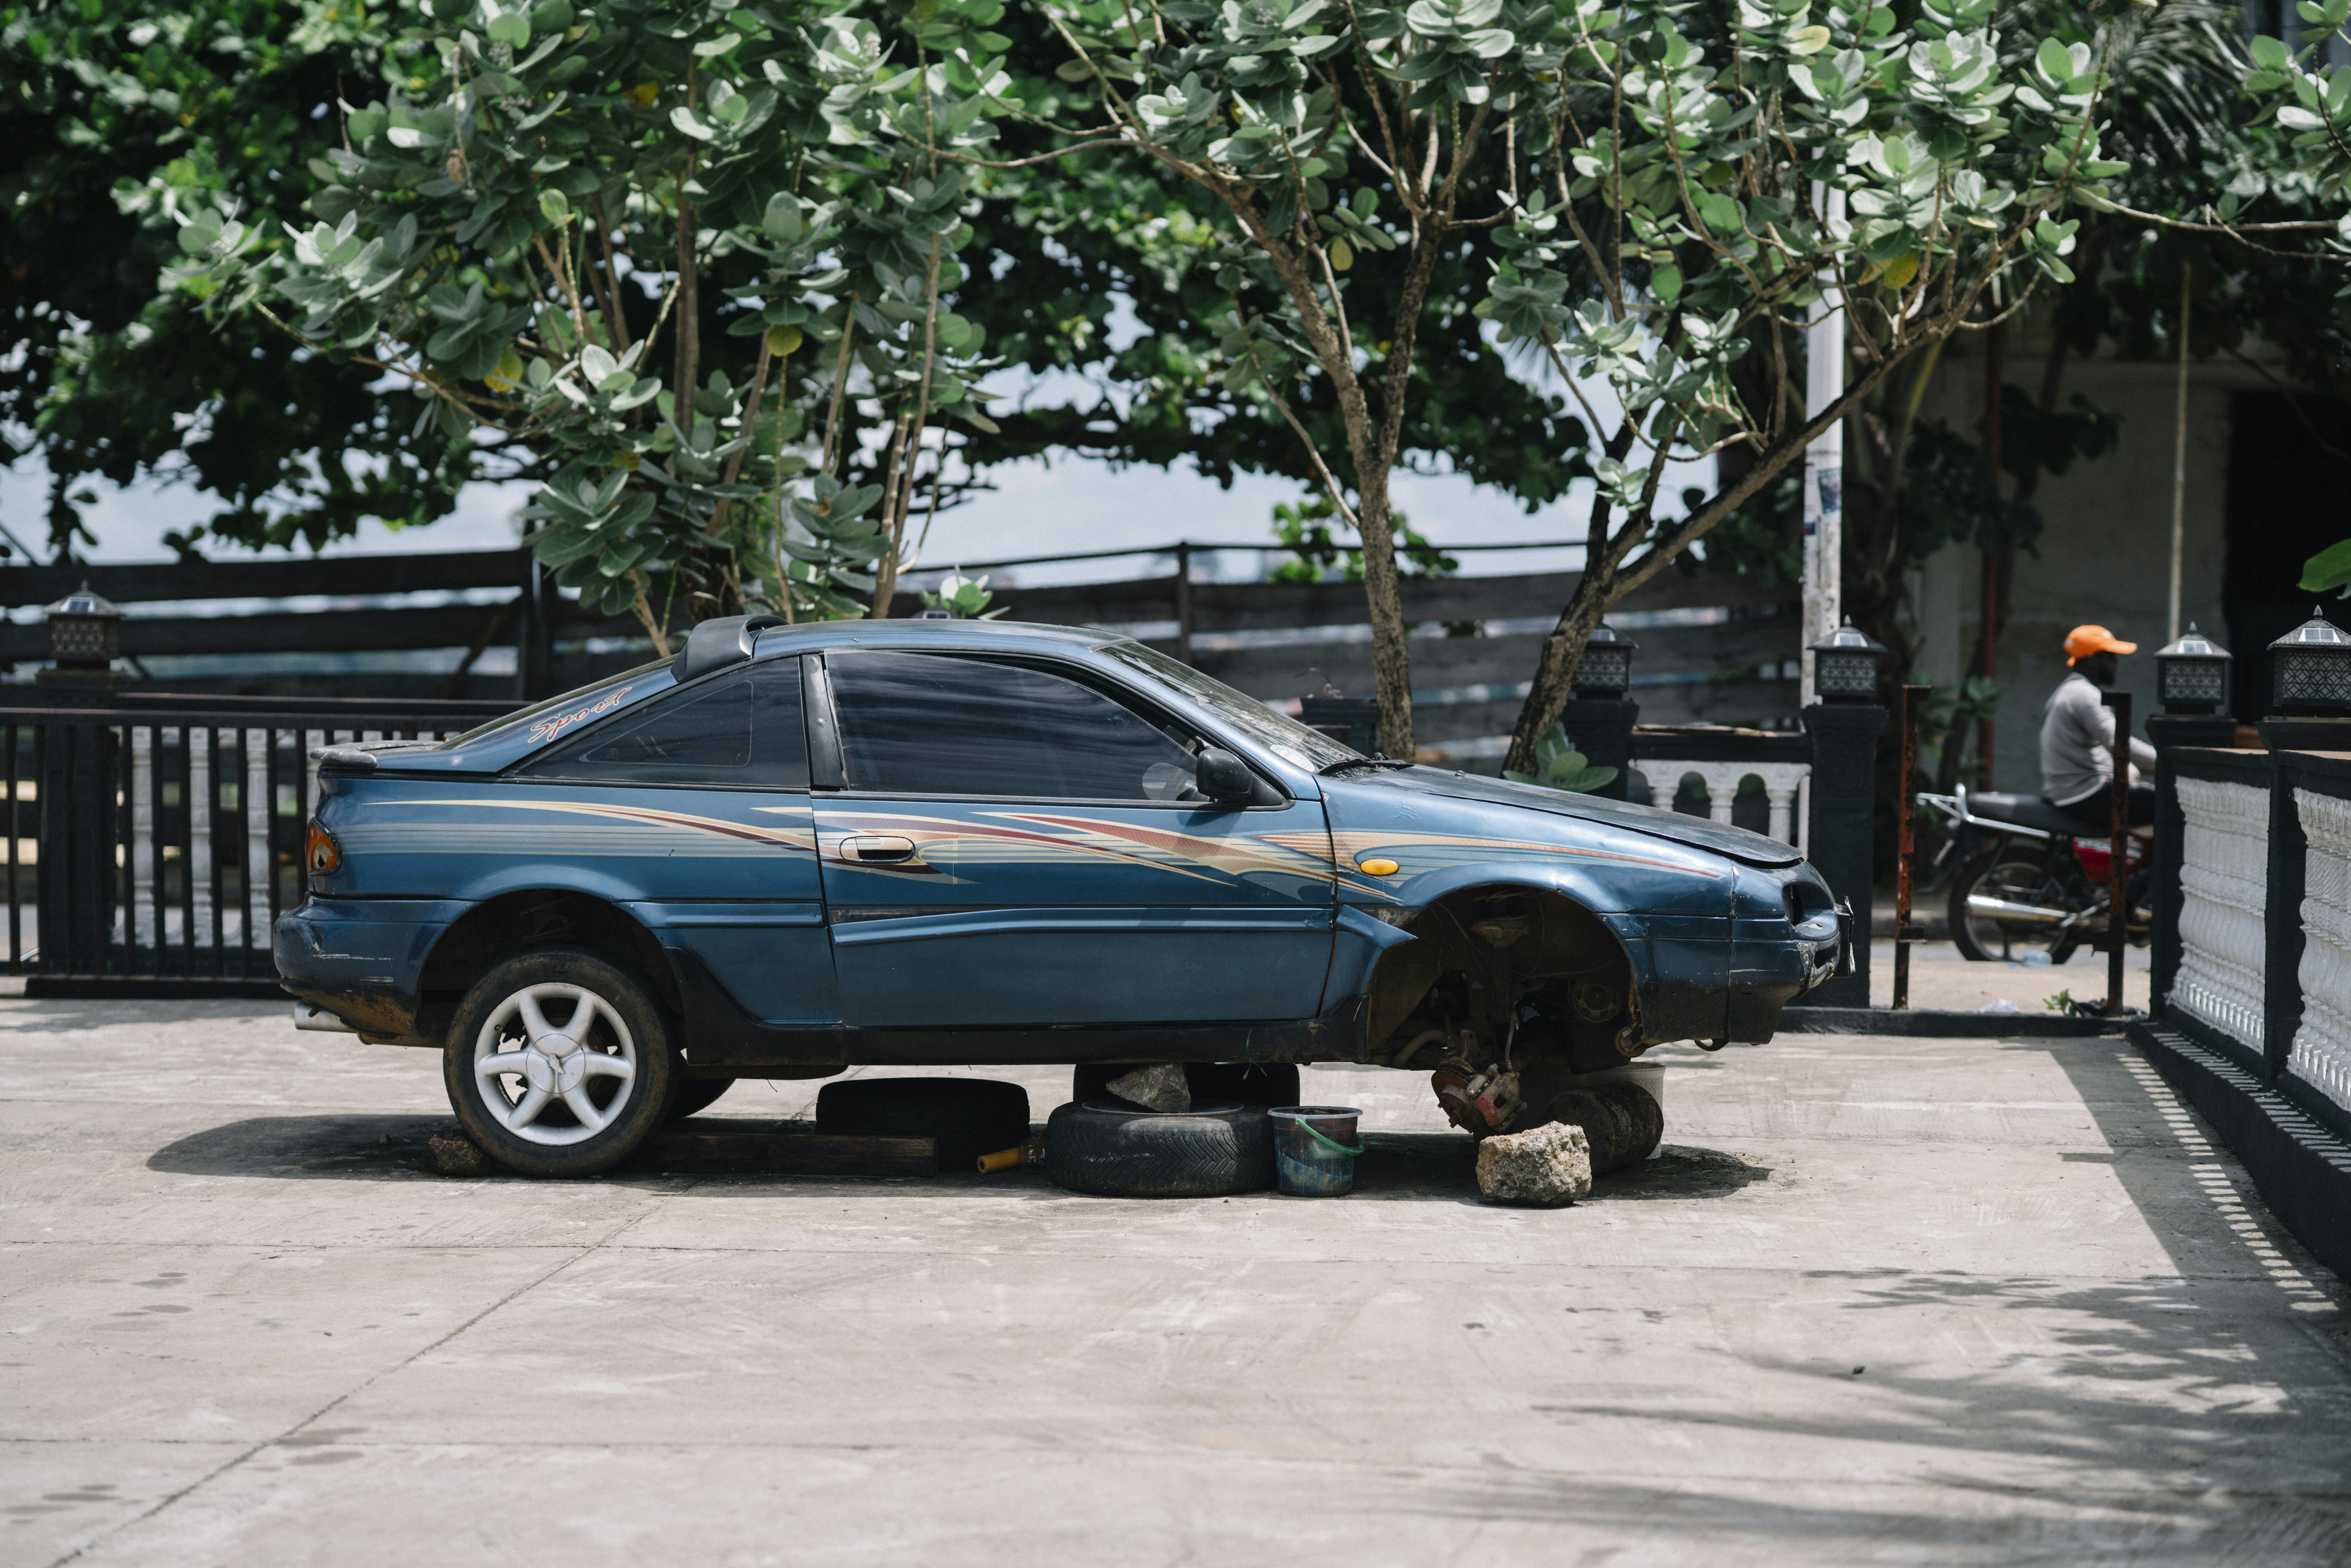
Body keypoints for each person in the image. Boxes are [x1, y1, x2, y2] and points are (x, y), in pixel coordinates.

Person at [2040, 625, 2157, 833]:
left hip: (2068, 792)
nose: (2116, 663)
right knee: (2169, 803)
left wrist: (2152, 766)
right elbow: (2119, 743)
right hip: (2084, 793)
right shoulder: (2084, 695)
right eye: (2111, 656)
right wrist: (2168, 760)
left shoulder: (2070, 691)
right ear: (2093, 659)